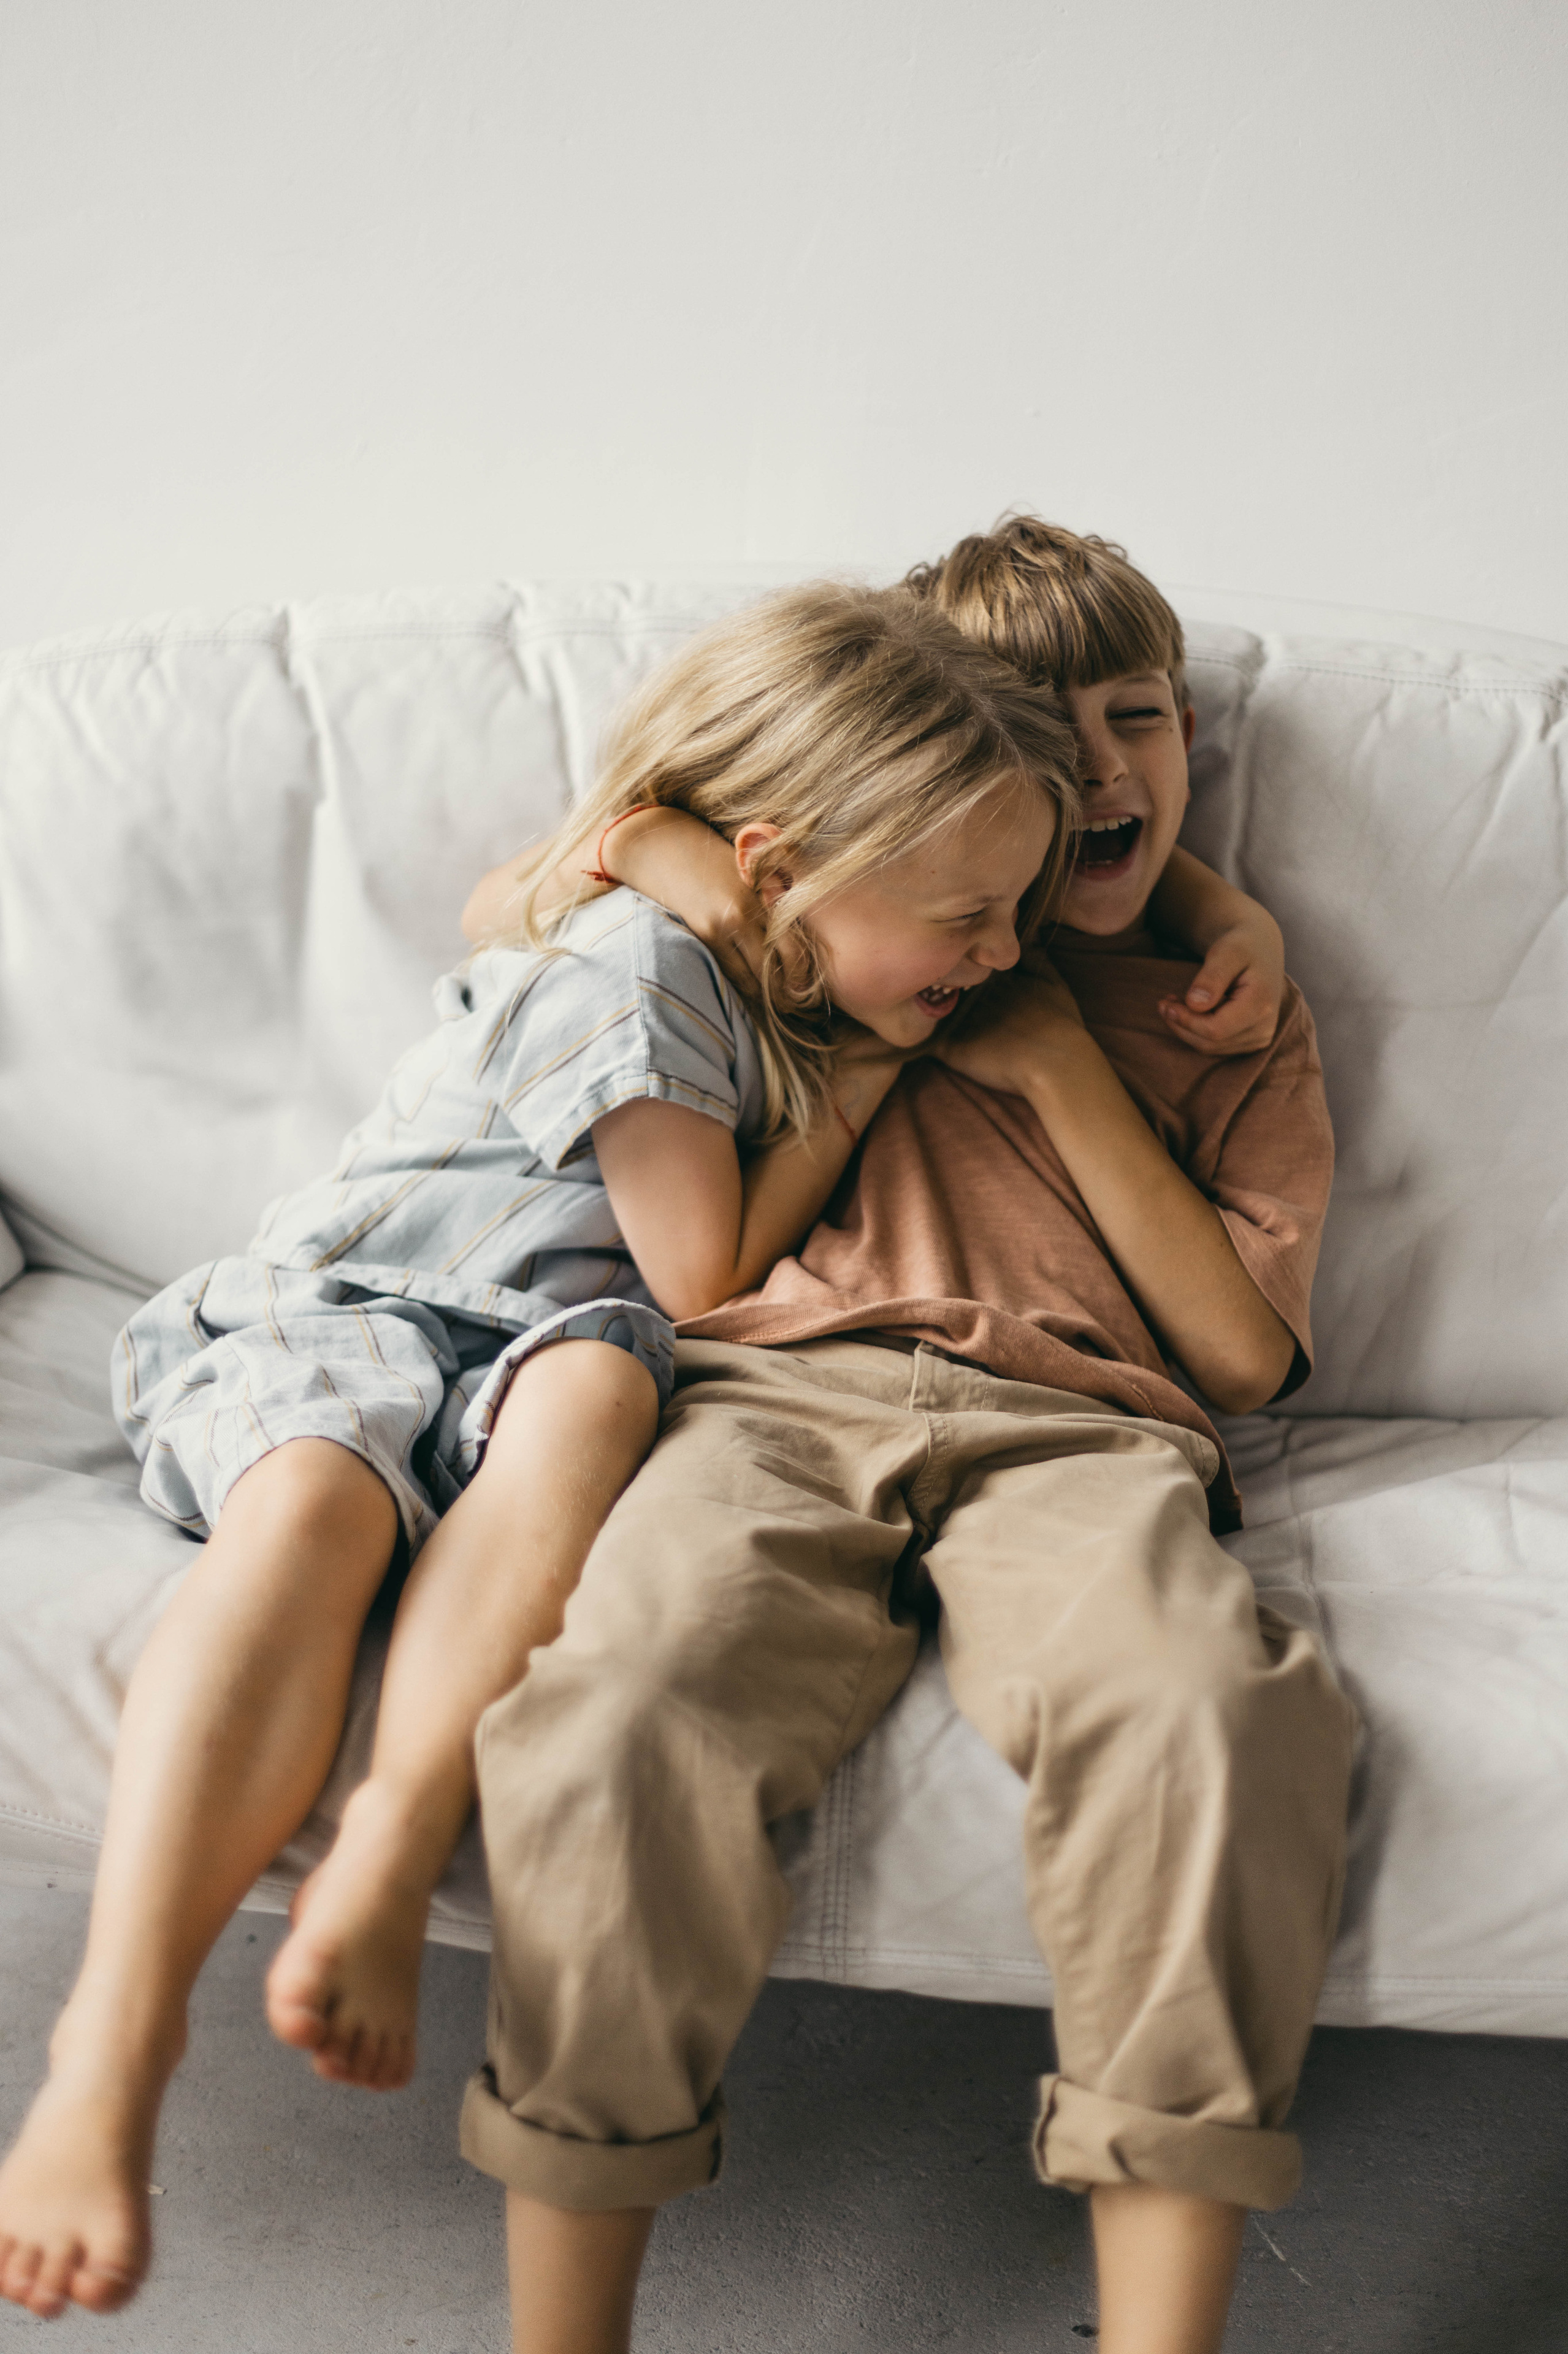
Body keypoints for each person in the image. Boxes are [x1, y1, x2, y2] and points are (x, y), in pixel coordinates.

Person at [0, 580, 1097, 2325]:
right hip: (349, 1308)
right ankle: (104, 2060)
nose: (1005, 949)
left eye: (1019, 905)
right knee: (309, 1511)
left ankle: (384, 1847)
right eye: (969, 912)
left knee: (599, 1392)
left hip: (530, 1351)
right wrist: (866, 1085)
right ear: (778, 860)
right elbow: (710, 1274)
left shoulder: (752, 952)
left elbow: (644, 1277)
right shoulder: (647, 966)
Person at [458, 520, 1359, 2354]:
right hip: (774, 1400)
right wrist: (743, 892)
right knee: (621, 1712)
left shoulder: (1228, 1008)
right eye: (1047, 733)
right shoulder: (849, 939)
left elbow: (1247, 1362)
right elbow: (547, 886)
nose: (1105, 775)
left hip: (1087, 1431)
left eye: (1143, 722)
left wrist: (1058, 1051)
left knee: (1211, 1711)